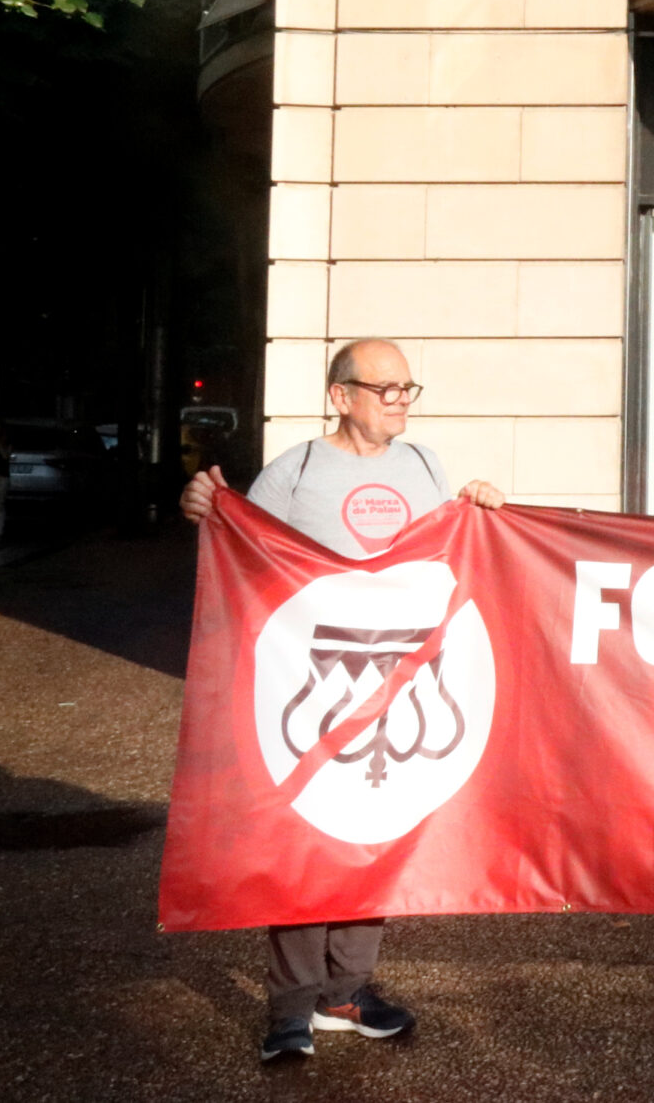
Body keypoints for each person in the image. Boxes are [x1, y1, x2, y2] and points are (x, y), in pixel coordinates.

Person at [178, 337, 506, 1063]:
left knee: (374, 833)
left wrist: (479, 507)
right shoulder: (295, 470)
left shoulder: (423, 465)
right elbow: (234, 536)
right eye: (385, 388)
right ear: (341, 396)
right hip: (312, 682)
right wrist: (200, 501)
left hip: (401, 684)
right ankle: (292, 1006)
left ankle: (346, 990)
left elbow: (445, 551)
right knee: (303, 841)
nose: (400, 401)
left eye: (407, 388)